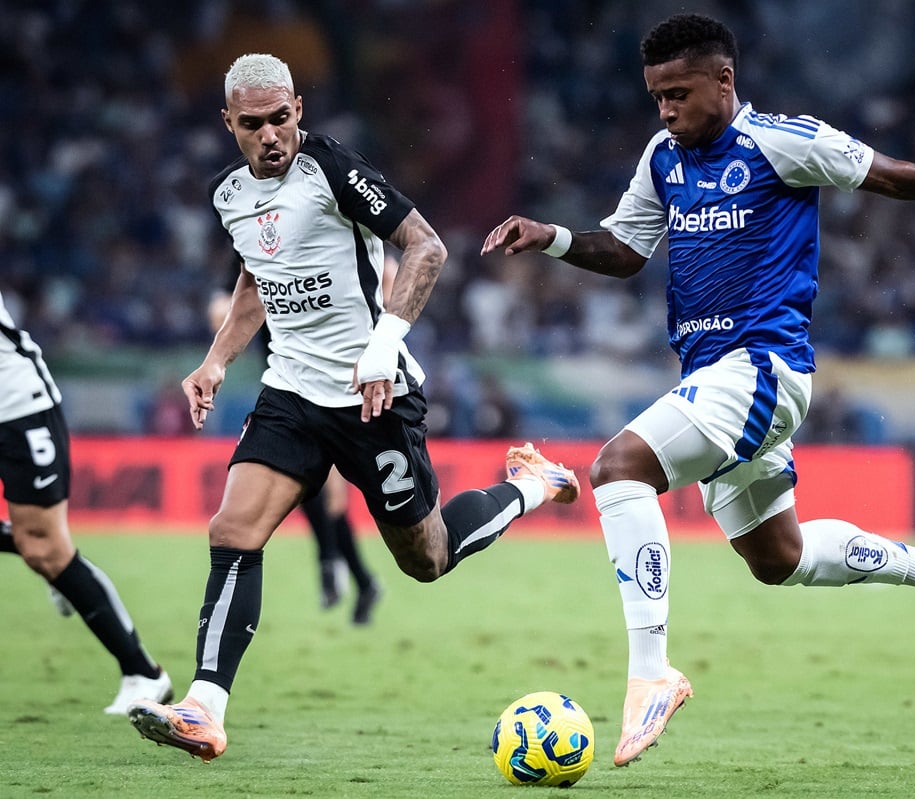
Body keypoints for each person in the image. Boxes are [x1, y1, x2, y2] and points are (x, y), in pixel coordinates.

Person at [482, 13, 915, 768]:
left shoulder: (781, 141)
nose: (665, 110)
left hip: (763, 369)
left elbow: (892, 174)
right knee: (778, 557)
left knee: (616, 467)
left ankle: (650, 672)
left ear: (723, 80)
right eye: (656, 96)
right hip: (712, 377)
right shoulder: (664, 157)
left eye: (678, 92)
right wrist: (556, 238)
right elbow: (629, 250)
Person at [127, 53, 579, 762]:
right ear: (229, 125)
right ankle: (204, 707)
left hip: (376, 396)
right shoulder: (227, 197)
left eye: (282, 118)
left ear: (298, 110)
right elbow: (256, 278)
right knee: (232, 528)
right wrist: (216, 360)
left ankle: (530, 484)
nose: (272, 134)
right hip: (293, 391)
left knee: (427, 558)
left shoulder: (333, 170)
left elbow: (426, 247)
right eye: (254, 124)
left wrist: (383, 345)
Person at [0, 290, 173, 715]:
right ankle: (51, 564)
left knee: (45, 546)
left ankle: (144, 673)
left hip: (16, 407)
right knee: (38, 545)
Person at [207, 288, 382, 624]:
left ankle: (337, 566)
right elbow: (221, 308)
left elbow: (385, 274)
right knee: (309, 486)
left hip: (329, 385)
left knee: (324, 490)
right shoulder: (251, 256)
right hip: (286, 387)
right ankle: (354, 575)